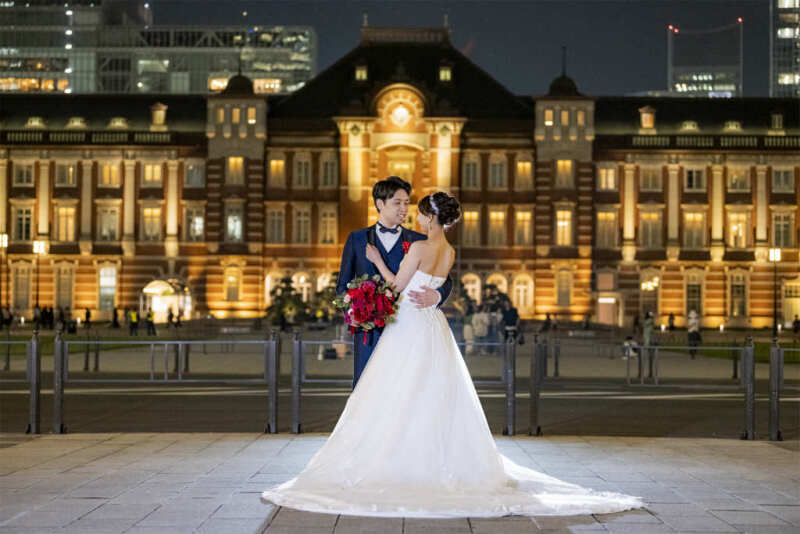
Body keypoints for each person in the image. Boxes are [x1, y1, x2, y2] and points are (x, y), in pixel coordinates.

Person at [262, 191, 642, 517]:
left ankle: (396, 458)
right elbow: (435, 284)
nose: (415, 218)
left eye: (419, 213)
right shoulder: (449, 250)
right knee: (434, 392)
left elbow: (395, 287)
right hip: (433, 325)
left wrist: (376, 263)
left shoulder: (419, 247)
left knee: (395, 390)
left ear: (430, 217)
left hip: (408, 325)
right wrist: (431, 293)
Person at [334, 176, 453, 388]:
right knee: (365, 388)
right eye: (397, 203)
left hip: (407, 330)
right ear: (380, 204)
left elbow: (446, 278)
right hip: (368, 333)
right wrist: (353, 313)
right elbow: (342, 285)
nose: (404, 209)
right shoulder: (357, 239)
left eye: (407, 203)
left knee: (404, 389)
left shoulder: (419, 240)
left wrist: (438, 295)